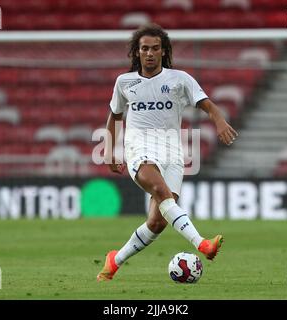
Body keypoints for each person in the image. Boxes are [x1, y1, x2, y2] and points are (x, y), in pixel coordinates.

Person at [97, 23, 238, 281]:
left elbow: (207, 105)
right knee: (162, 193)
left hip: (172, 152)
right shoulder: (124, 82)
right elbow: (115, 116)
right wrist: (110, 151)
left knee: (158, 221)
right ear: (136, 52)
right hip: (139, 148)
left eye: (155, 48)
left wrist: (219, 121)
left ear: (163, 51)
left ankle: (114, 262)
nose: (149, 53)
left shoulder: (179, 79)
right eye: (144, 49)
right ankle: (202, 244)